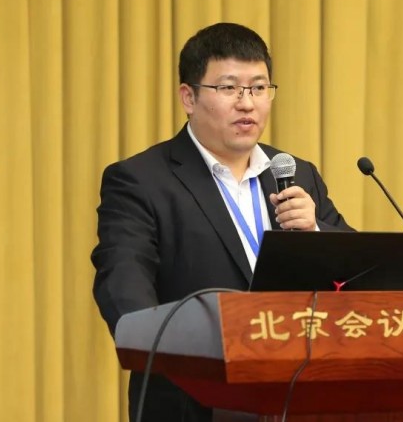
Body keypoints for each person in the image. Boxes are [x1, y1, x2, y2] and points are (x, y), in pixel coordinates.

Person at [91, 22, 352, 421]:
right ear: (189, 97)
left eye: (259, 88)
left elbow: (358, 274)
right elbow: (123, 282)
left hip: (300, 397)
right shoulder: (141, 180)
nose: (247, 104)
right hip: (193, 400)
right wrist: (167, 352)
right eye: (229, 88)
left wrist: (315, 232)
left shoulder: (297, 174)